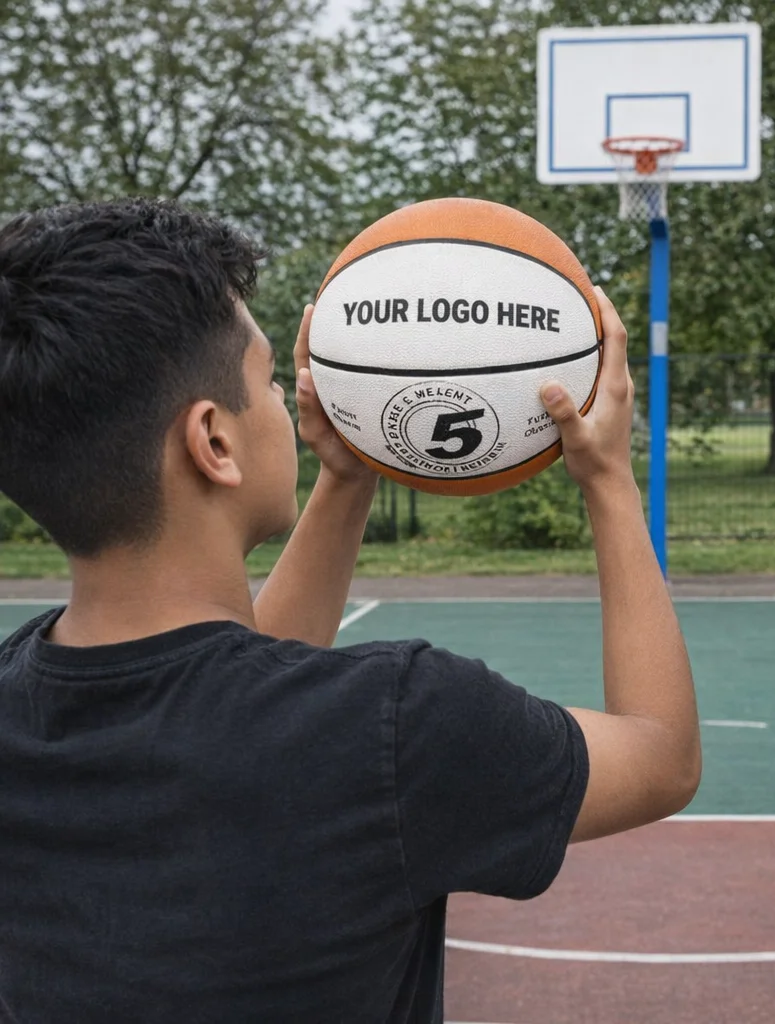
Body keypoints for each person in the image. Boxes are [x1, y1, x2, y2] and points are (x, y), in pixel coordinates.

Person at [0, 198, 700, 1023]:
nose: (287, 396)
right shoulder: (399, 725)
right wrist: (609, 479)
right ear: (213, 442)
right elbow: (662, 757)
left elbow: (223, 695)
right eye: (264, 377)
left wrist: (345, 474)